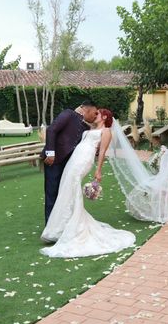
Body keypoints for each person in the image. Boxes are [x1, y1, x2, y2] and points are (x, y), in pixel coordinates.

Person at [40, 109, 136, 258]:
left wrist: (98, 171)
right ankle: (60, 226)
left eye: (97, 113)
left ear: (104, 117)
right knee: (66, 186)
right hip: (75, 158)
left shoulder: (106, 131)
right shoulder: (90, 128)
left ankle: (71, 226)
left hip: (84, 159)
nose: (94, 115)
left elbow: (102, 151)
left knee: (72, 185)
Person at [41, 100, 98, 223]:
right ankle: (49, 226)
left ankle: (61, 224)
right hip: (53, 161)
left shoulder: (86, 126)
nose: (95, 116)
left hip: (68, 165)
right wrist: (50, 153)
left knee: (64, 193)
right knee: (52, 193)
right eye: (94, 113)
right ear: (86, 109)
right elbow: (51, 130)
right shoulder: (68, 114)